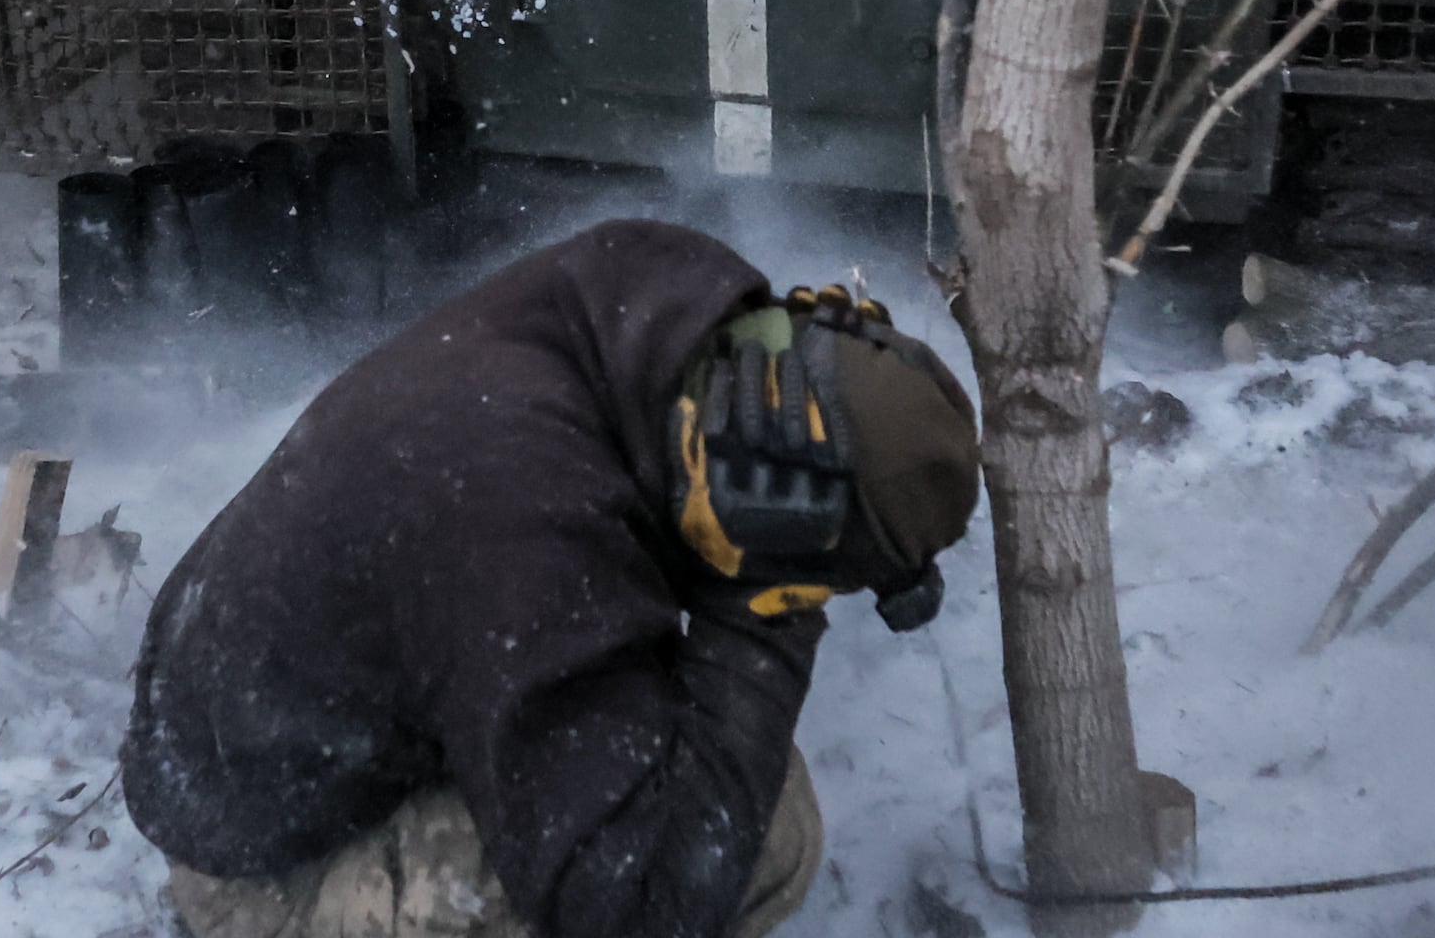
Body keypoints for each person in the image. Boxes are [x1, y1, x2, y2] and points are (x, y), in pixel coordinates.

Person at [125, 218, 983, 938]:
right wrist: (763, 604)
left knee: (710, 761)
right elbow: (638, 903)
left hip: (283, 710)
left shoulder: (669, 309)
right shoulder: (524, 519)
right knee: (755, 832)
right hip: (263, 867)